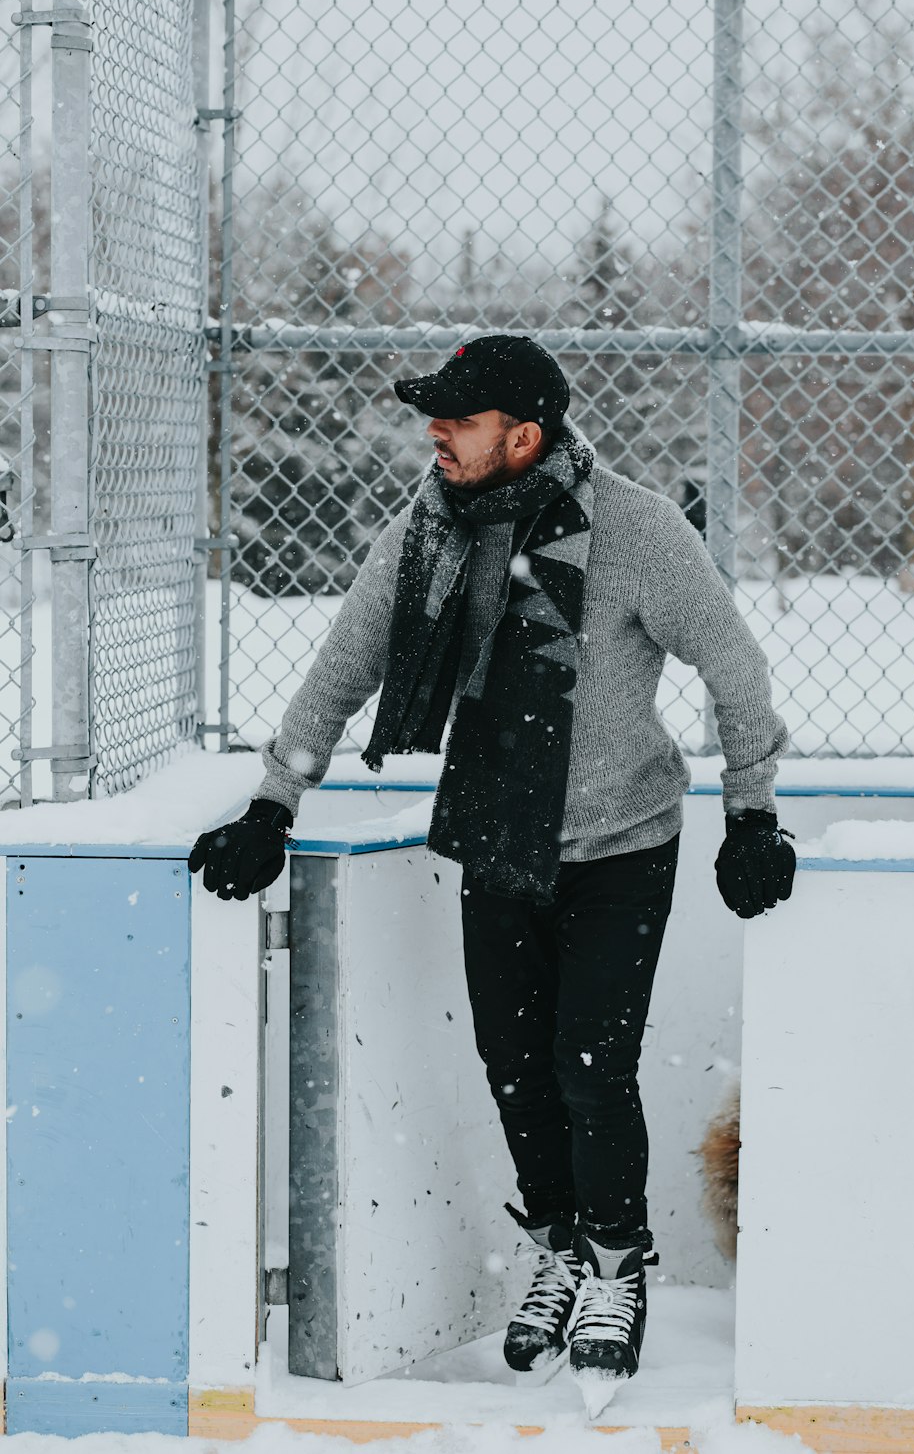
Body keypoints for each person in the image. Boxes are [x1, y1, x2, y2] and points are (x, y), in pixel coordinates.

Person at [189, 334, 795, 1390]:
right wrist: (272, 803)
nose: (435, 433)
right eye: (435, 415)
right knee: (514, 1071)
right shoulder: (430, 527)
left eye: (458, 420)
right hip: (496, 831)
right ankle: (556, 1251)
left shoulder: (638, 532)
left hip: (622, 844)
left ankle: (616, 1265)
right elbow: (345, 664)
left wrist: (752, 816)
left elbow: (735, 668)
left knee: (589, 1070)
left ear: (524, 434)